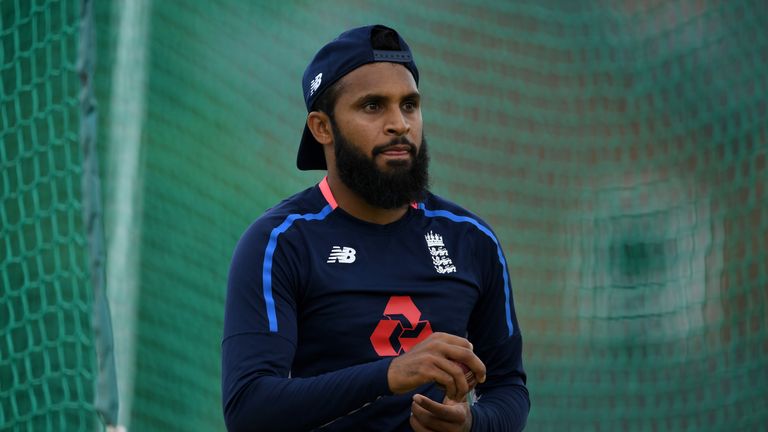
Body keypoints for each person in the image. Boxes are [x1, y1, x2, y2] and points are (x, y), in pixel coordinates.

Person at [222, 24, 529, 431]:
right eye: (373, 106)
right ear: (322, 128)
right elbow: (249, 407)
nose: (399, 124)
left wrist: (473, 423)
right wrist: (389, 375)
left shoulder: (472, 240)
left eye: (409, 105)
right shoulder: (279, 242)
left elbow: (508, 387)